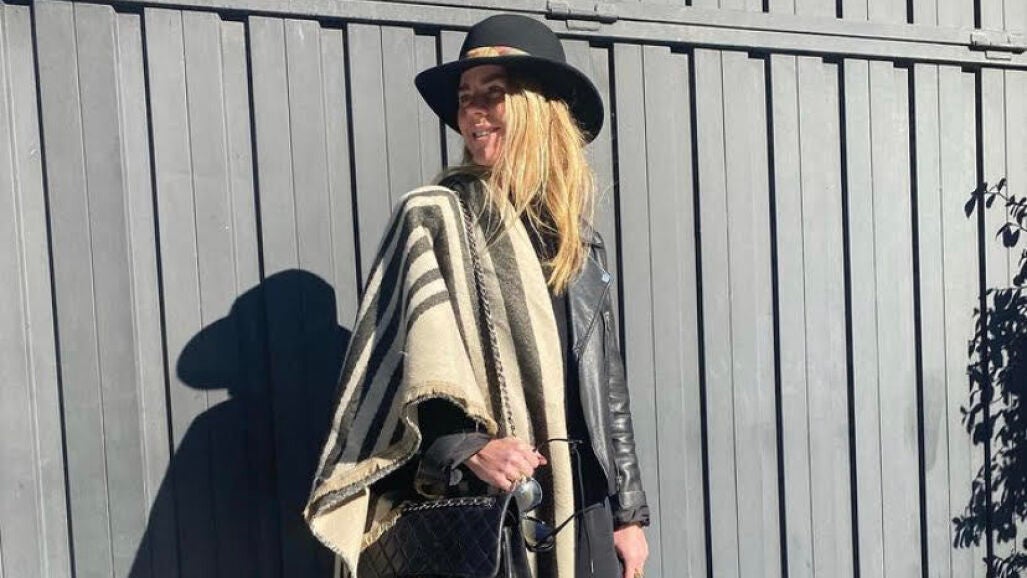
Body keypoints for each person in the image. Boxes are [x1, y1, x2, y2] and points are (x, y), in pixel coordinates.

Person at [305, 14, 650, 578]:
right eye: (466, 98)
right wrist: (466, 448)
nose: (474, 111)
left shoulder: (578, 241)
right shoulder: (436, 217)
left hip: (582, 506)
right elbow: (398, 372)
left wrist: (628, 514)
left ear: (540, 109)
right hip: (490, 506)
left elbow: (606, 386)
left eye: (494, 93)